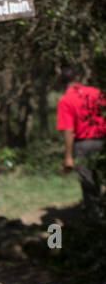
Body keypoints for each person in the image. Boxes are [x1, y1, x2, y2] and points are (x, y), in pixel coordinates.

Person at [55, 65, 106, 220]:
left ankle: (95, 219)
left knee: (89, 182)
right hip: (102, 142)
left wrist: (68, 157)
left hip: (83, 145)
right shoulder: (96, 93)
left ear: (62, 82)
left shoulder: (65, 101)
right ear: (78, 78)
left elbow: (69, 130)